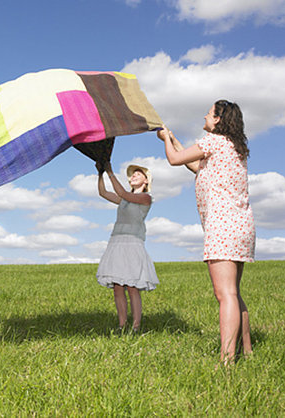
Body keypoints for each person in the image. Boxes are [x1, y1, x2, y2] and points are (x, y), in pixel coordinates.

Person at [158, 100, 255, 365]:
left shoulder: (212, 141)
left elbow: (175, 160)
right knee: (234, 292)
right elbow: (195, 166)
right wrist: (174, 138)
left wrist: (166, 140)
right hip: (241, 228)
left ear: (218, 121)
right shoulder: (234, 147)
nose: (204, 115)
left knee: (224, 295)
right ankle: (247, 350)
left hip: (222, 227)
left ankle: (226, 361)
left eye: (209, 113)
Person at [95, 161, 159, 332]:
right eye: (132, 174)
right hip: (117, 240)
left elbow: (121, 192)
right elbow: (103, 192)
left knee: (131, 286)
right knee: (117, 287)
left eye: (138, 174)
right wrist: (101, 173)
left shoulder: (146, 198)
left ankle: (136, 326)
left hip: (133, 242)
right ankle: (122, 325)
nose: (133, 176)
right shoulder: (124, 200)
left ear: (146, 181)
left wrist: (109, 171)